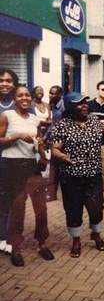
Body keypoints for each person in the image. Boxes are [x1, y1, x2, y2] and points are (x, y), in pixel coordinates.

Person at [0, 85, 54, 267]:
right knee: (17, 209)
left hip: (31, 165)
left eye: (27, 95)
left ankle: (42, 244)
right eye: (20, 95)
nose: (24, 98)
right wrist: (15, 137)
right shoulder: (7, 115)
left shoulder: (34, 119)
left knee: (41, 208)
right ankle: (15, 249)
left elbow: (39, 140)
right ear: (14, 99)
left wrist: (43, 156)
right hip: (12, 166)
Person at [50, 92, 104, 258]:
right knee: (73, 209)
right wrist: (63, 157)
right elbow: (55, 149)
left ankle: (95, 234)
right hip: (71, 176)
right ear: (70, 107)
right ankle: (76, 240)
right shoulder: (63, 125)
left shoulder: (95, 122)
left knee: (96, 209)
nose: (85, 105)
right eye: (80, 104)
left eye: (85, 102)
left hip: (93, 174)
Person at [0, 68, 20, 255]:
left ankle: (8, 236)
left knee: (11, 199)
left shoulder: (21, 103)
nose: (4, 83)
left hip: (14, 160)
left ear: (14, 83)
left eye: (8, 80)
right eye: (1, 80)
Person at [47, 85, 65, 200]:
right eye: (50, 93)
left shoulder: (63, 106)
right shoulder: (52, 105)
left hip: (63, 140)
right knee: (53, 167)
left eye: (53, 93)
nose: (50, 95)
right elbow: (53, 124)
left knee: (58, 167)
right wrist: (46, 136)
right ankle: (52, 193)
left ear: (59, 95)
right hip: (55, 139)